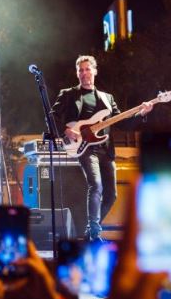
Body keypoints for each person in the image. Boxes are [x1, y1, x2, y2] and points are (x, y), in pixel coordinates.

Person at [52, 55, 152, 241]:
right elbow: (52, 116)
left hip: (105, 149)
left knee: (111, 195)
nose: (84, 73)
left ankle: (88, 229)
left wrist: (141, 113)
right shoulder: (68, 94)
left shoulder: (107, 98)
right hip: (84, 147)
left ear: (95, 71)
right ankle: (94, 233)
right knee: (95, 185)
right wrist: (66, 130)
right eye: (80, 70)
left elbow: (123, 122)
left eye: (87, 69)